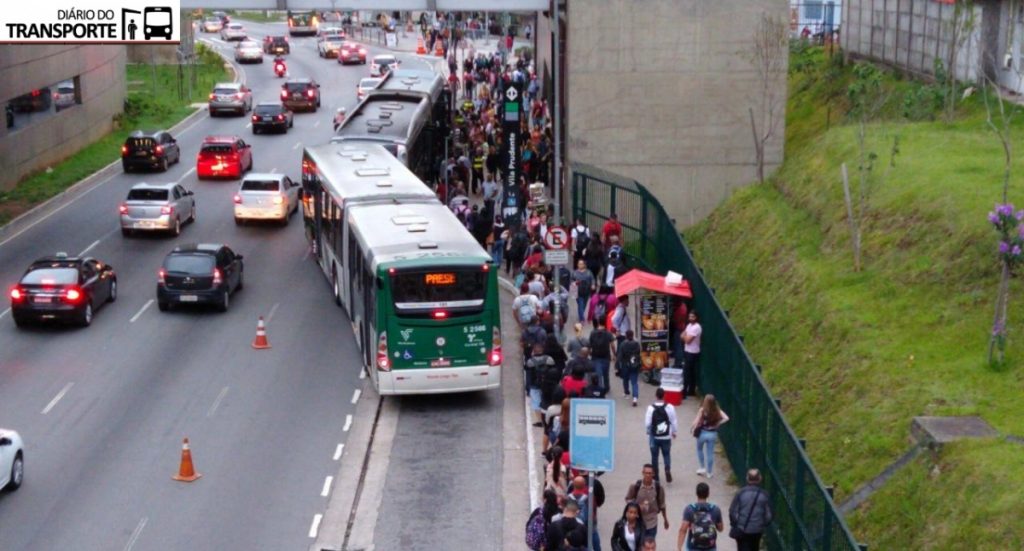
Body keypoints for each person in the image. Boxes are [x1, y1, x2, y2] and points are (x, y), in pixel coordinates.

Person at [728, 469, 773, 551]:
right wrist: (762, 524)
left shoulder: (741, 493)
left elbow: (732, 511)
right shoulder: (764, 495)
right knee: (755, 547)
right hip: (757, 530)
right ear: (760, 478)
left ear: (747, 478)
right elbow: (769, 516)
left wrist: (737, 523)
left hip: (742, 529)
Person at [624, 464, 669, 540]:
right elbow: (628, 499)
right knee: (639, 545)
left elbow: (662, 505)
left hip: (652, 522)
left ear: (653, 474)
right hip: (637, 521)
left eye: (650, 473)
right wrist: (637, 506)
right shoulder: (635, 486)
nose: (648, 475)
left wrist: (665, 519)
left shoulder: (658, 487)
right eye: (646, 473)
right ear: (643, 473)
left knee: (649, 545)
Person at [678, 482, 724, 551]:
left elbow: (683, 530)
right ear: (708, 494)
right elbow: (720, 529)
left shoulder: (689, 509)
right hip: (710, 547)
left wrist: (679, 547)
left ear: (696, 493)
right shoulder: (715, 509)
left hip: (692, 547)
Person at [692, 395, 729, 479]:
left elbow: (696, 421)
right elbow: (726, 418)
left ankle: (702, 468)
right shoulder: (717, 410)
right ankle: (709, 472)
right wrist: (718, 423)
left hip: (702, 433)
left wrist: (693, 427)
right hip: (712, 434)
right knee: (710, 453)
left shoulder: (702, 410)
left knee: (699, 449)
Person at [647, 387, 678, 482]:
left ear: (656, 396)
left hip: (654, 436)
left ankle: (656, 477)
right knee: (666, 454)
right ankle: (667, 469)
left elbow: (647, 423)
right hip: (666, 436)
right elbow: (673, 421)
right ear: (664, 395)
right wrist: (674, 431)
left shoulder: (650, 408)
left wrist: (648, 431)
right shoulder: (670, 407)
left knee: (654, 456)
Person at [526, 344, 555, 427]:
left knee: (536, 402)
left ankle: (539, 421)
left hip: (534, 385)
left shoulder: (530, 362)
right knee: (547, 401)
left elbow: (528, 376)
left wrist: (528, 388)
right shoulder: (549, 359)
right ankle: (547, 419)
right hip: (547, 384)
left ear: (533, 352)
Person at [588, 323, 615, 395]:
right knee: (606, 373)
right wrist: (614, 354)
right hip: (606, 356)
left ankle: (599, 388)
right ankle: (606, 387)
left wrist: (589, 352)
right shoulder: (608, 333)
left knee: (598, 373)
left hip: (595, 356)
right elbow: (612, 345)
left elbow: (589, 344)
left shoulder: (593, 333)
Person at [618, 330, 642, 406]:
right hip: (634, 364)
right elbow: (638, 353)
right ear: (632, 335)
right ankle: (635, 398)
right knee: (634, 382)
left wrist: (618, 365)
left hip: (626, 365)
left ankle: (626, 393)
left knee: (625, 379)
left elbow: (620, 356)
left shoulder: (623, 344)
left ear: (626, 335)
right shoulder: (636, 344)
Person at [682, 311, 702, 398]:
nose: (690, 318)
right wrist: (685, 336)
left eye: (692, 317)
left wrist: (685, 337)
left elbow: (687, 340)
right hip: (687, 351)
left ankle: (685, 391)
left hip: (693, 352)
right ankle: (691, 390)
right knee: (690, 372)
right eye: (690, 316)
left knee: (687, 372)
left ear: (696, 318)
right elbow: (682, 335)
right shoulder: (689, 325)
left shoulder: (697, 327)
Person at [671, 300, 689, 368]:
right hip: (681, 328)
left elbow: (677, 320)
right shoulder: (683, 306)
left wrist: (673, 317)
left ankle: (678, 364)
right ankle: (678, 362)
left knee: (678, 347)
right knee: (679, 347)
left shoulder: (681, 309)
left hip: (679, 329)